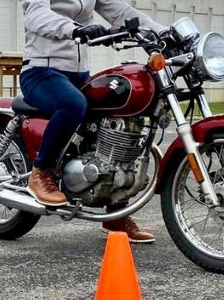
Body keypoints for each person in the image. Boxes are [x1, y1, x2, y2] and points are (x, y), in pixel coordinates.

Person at [20, 0, 166, 243]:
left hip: (78, 74)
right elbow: (36, 14)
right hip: (40, 71)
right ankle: (40, 172)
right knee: (72, 104)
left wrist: (162, 31)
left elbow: (121, 11)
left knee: (122, 117)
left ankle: (115, 214)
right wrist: (75, 29)